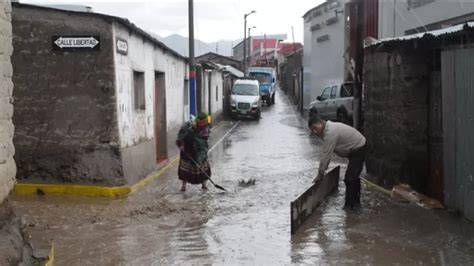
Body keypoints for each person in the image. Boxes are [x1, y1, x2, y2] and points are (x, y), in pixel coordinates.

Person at [308, 115, 366, 209]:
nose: (315, 132)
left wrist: (320, 174)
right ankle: (356, 204)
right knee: (353, 177)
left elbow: (326, 155)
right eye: (312, 130)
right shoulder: (328, 130)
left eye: (315, 128)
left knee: (349, 178)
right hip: (355, 150)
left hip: (359, 148)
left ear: (321, 122)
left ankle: (349, 208)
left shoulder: (330, 132)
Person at [176, 113, 212, 192]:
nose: (202, 124)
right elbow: (181, 135)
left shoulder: (205, 131)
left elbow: (203, 147)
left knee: (203, 167)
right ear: (197, 121)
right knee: (184, 169)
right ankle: (183, 186)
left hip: (198, 149)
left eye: (204, 122)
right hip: (187, 149)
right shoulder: (189, 125)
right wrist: (181, 144)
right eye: (200, 122)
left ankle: (204, 184)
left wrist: (199, 160)